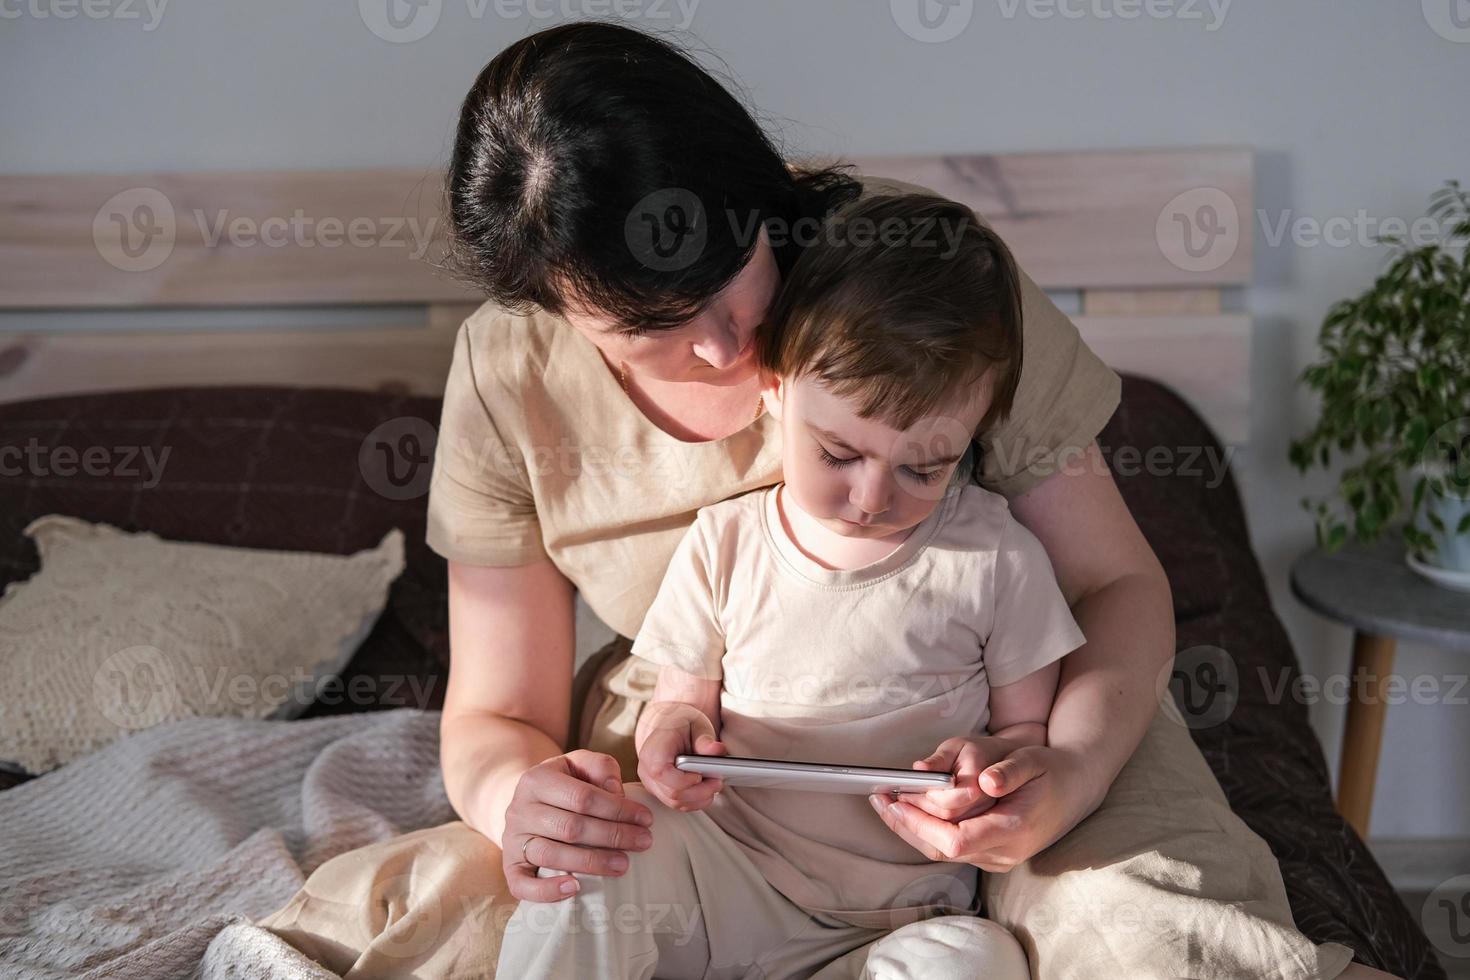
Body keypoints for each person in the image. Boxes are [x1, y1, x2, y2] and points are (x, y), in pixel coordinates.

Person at [258, 21, 1381, 980]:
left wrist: (1067, 770)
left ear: (756, 190)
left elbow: (1116, 580)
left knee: (1152, 934)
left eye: (725, 280)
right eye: (651, 327)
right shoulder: (508, 372)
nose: (722, 346)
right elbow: (498, 712)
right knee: (458, 918)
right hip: (710, 773)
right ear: (556, 311)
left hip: (1009, 731)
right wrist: (518, 798)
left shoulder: (921, 277)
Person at [495, 192, 1076, 978]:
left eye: (923, 467)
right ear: (773, 389)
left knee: (976, 962)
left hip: (896, 918)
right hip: (722, 876)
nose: (874, 497)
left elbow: (1026, 740)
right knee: (588, 878)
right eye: (839, 454)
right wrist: (668, 742)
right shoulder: (725, 543)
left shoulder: (996, 558)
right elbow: (677, 705)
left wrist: (988, 771)